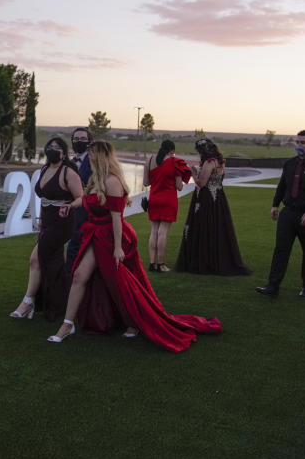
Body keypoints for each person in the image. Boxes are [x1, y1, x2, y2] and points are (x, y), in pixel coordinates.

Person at [47, 140, 221, 352]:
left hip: (113, 237)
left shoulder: (112, 181)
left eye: (92, 154)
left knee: (121, 284)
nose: (88, 158)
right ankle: (67, 325)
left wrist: (118, 247)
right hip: (95, 234)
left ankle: (134, 322)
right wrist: (70, 206)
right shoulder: (96, 179)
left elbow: (116, 217)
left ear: (100, 157)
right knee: (79, 275)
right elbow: (86, 200)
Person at [10, 137, 83, 322]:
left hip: (63, 221)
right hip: (47, 222)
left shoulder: (68, 172)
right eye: (49, 146)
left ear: (64, 153)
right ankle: (55, 302)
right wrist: (41, 221)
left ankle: (28, 302)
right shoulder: (44, 169)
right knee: (49, 261)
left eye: (56, 147)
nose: (52, 149)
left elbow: (81, 197)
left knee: (36, 258)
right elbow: (43, 200)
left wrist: (70, 206)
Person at [257, 130, 305, 298]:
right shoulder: (290, 164)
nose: (299, 146)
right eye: (297, 142)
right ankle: (273, 286)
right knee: (280, 250)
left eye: (303, 143)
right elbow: (282, 185)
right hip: (289, 213)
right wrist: (275, 205)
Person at [175, 138, 252, 276]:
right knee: (217, 228)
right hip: (218, 198)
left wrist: (193, 172)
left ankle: (204, 261)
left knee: (203, 227)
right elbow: (219, 179)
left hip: (205, 200)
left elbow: (201, 183)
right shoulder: (221, 162)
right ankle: (216, 258)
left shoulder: (209, 162)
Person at [143, 139, 192, 272]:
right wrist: (181, 180)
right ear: (172, 151)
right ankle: (161, 264)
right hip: (168, 200)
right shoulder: (175, 162)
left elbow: (146, 182)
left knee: (154, 231)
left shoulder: (149, 160)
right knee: (163, 232)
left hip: (154, 199)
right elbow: (179, 186)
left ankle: (152, 263)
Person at [65, 127, 94, 277]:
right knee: (72, 253)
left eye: (83, 139)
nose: (79, 142)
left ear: (89, 141)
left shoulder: (94, 162)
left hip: (88, 215)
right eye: (76, 139)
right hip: (72, 215)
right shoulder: (69, 163)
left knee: (80, 252)